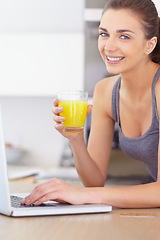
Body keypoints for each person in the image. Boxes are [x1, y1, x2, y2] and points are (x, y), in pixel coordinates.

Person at [21, 0, 160, 208]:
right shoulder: (106, 91)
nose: (109, 46)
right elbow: (94, 182)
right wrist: (76, 139)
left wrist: (82, 194)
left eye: (124, 36)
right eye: (104, 34)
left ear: (150, 44)